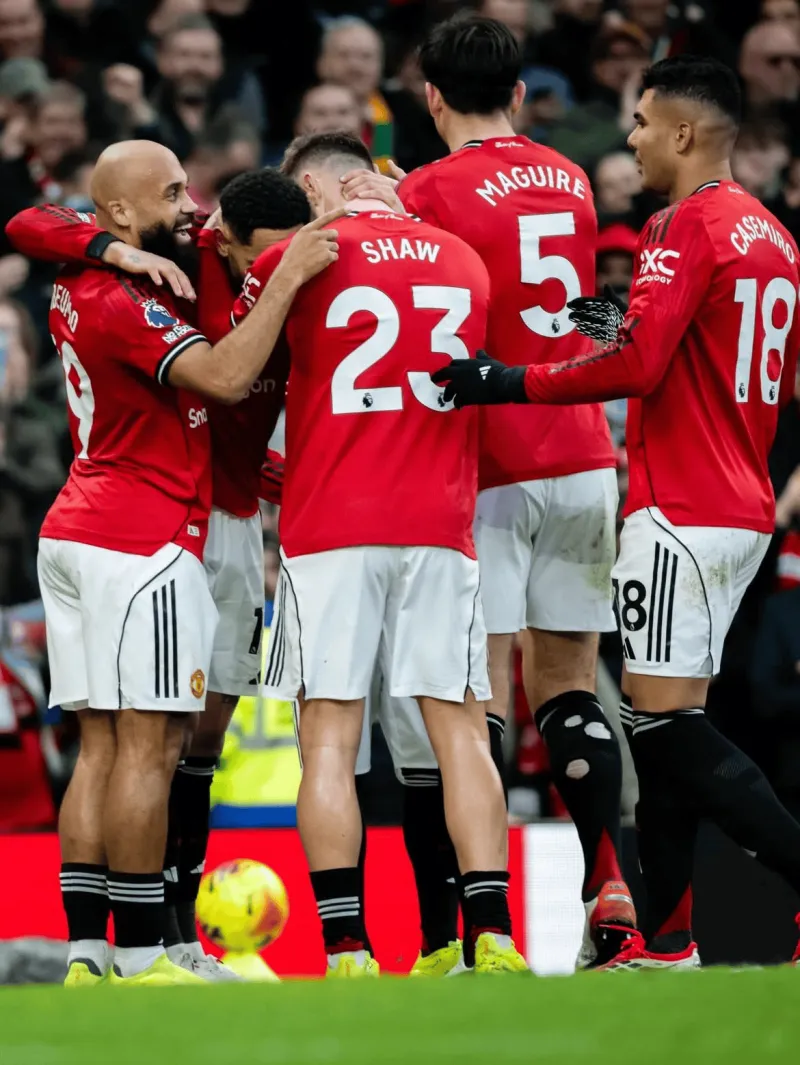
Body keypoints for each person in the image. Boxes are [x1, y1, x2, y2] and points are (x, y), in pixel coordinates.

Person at [433, 55, 800, 969]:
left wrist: (507, 379)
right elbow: (692, 346)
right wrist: (612, 324)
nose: (630, 139)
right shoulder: (771, 232)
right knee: (657, 720)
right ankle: (667, 939)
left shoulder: (681, 223)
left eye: (641, 122)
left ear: (683, 132)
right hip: (742, 500)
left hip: (681, 504)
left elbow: (638, 367)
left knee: (667, 728)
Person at [8, 138, 340, 987]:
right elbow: (223, 377)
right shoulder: (133, 289)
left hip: (94, 520)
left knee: (112, 746)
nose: (191, 207)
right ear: (121, 212)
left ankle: (92, 952)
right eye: (172, 193)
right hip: (147, 533)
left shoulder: (120, 272)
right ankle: (145, 949)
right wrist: (290, 277)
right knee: (150, 747)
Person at [345, 14, 633, 968]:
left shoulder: (426, 190)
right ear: (518, 92)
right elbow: (580, 304)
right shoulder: (573, 176)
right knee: (572, 684)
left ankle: (481, 927)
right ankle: (610, 888)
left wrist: (395, 205)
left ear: (429, 97)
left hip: (488, 460)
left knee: (476, 696)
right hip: (582, 449)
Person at [234, 130, 526, 977]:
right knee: (461, 730)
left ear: (318, 191)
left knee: (328, 736)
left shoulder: (295, 259)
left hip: (330, 522)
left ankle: (347, 947)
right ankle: (492, 935)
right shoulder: (465, 259)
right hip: (439, 522)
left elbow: (239, 375)